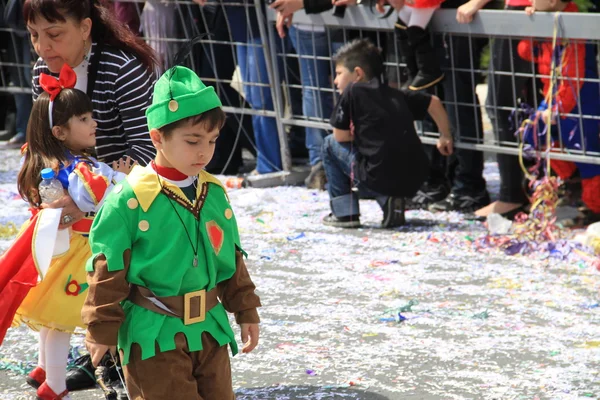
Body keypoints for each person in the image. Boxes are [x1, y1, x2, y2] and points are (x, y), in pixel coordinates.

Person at [83, 66, 261, 400]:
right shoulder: (129, 199)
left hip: (209, 328)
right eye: (192, 141)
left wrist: (245, 309)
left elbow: (231, 257)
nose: (204, 152)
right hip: (154, 332)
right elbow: (108, 269)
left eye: (211, 141)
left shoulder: (214, 192)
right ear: (157, 136)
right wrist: (101, 329)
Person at [0, 65, 132, 400]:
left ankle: (44, 369)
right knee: (60, 320)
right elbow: (98, 196)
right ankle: (55, 385)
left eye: (91, 117)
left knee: (50, 317)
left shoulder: (54, 166)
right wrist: (121, 176)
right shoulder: (78, 168)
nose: (94, 124)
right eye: (85, 119)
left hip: (59, 247)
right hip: (78, 251)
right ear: (60, 132)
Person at [323, 39, 453, 228]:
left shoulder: (352, 91)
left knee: (328, 144)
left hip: (378, 175)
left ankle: (346, 214)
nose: (335, 81)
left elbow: (340, 137)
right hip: (414, 178)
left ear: (357, 74)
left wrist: (361, 135)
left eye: (339, 73)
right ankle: (390, 201)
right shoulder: (396, 94)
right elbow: (433, 101)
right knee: (380, 159)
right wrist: (445, 135)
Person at [519, 0, 600, 222]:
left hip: (580, 100)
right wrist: (533, 25)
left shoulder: (574, 26)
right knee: (533, 135)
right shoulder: (548, 20)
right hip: (553, 96)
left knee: (585, 153)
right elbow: (526, 52)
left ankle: (595, 208)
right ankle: (572, 181)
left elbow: (575, 73)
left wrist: (558, 109)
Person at [456, 0, 537, 219]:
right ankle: (537, 192)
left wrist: (477, 2)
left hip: (525, 9)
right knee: (535, 103)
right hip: (534, 8)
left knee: (500, 104)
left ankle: (512, 196)